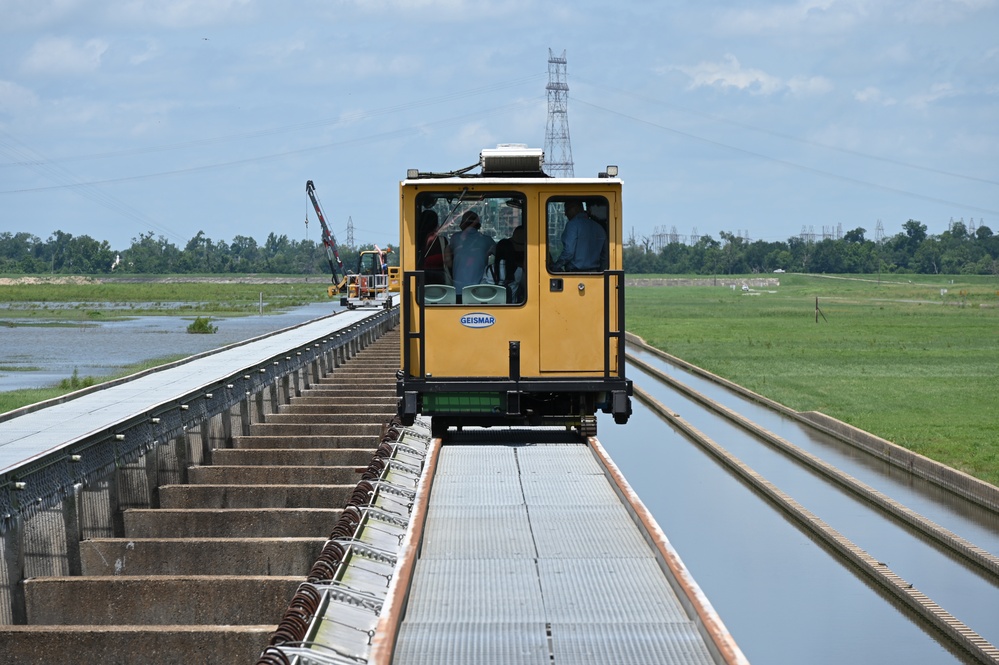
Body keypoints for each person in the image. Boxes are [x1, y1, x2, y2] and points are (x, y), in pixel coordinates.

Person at [446, 210, 495, 299]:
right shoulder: (487, 240)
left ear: (462, 224)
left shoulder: (455, 238)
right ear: (478, 225)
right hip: (479, 289)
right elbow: (500, 254)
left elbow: (449, 258)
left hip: (458, 289)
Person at [553, 199, 606, 272]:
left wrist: (555, 266)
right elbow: (604, 257)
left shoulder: (572, 225)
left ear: (576, 208)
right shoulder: (599, 228)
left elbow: (569, 252)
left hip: (575, 274)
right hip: (595, 274)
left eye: (567, 209)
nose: (565, 214)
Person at [416, 210, 448, 285]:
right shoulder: (441, 241)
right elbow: (448, 262)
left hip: (421, 279)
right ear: (435, 223)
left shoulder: (416, 240)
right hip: (440, 280)